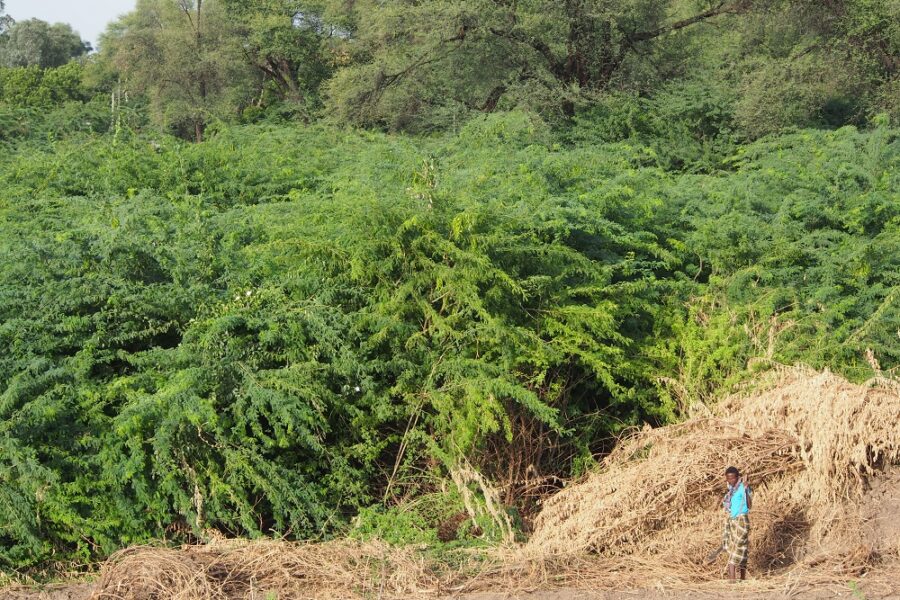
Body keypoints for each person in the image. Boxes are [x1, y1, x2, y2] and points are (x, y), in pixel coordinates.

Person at [719, 465, 751, 581]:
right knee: (740, 548)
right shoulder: (732, 491)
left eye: (732, 478)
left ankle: (732, 580)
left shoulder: (743, 487)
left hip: (741, 521)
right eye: (728, 478)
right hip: (733, 521)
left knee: (738, 547)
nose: (730, 480)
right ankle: (742, 579)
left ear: (738, 477)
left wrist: (747, 490)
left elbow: (749, 505)